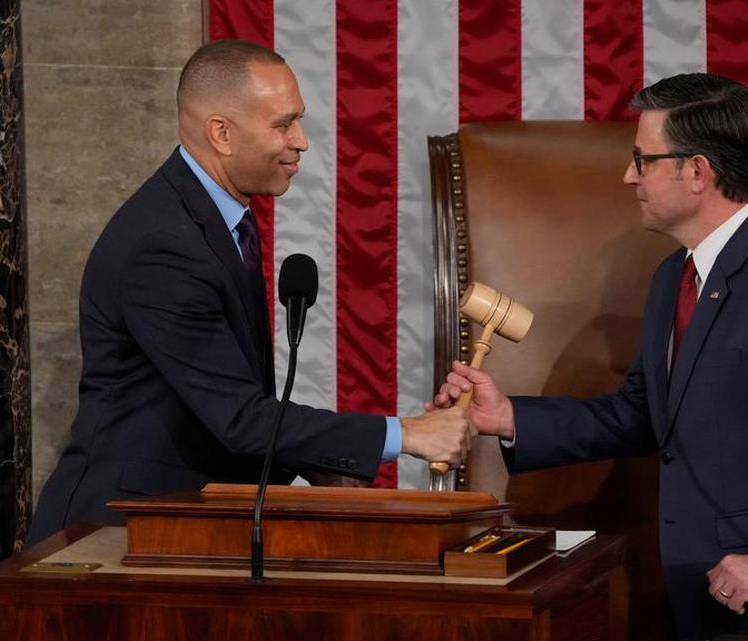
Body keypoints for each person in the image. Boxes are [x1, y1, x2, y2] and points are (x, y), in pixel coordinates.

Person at [430, 73, 748, 641]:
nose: (630, 175)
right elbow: (642, 415)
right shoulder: (674, 277)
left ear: (697, 171)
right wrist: (509, 417)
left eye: (643, 160)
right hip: (703, 599)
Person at [29, 40, 472, 543]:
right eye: (283, 124)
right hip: (115, 531)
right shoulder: (163, 245)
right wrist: (406, 434)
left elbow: (224, 403)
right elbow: (239, 417)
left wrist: (312, 459)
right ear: (221, 133)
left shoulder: (221, 216)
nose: (301, 140)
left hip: (184, 523)